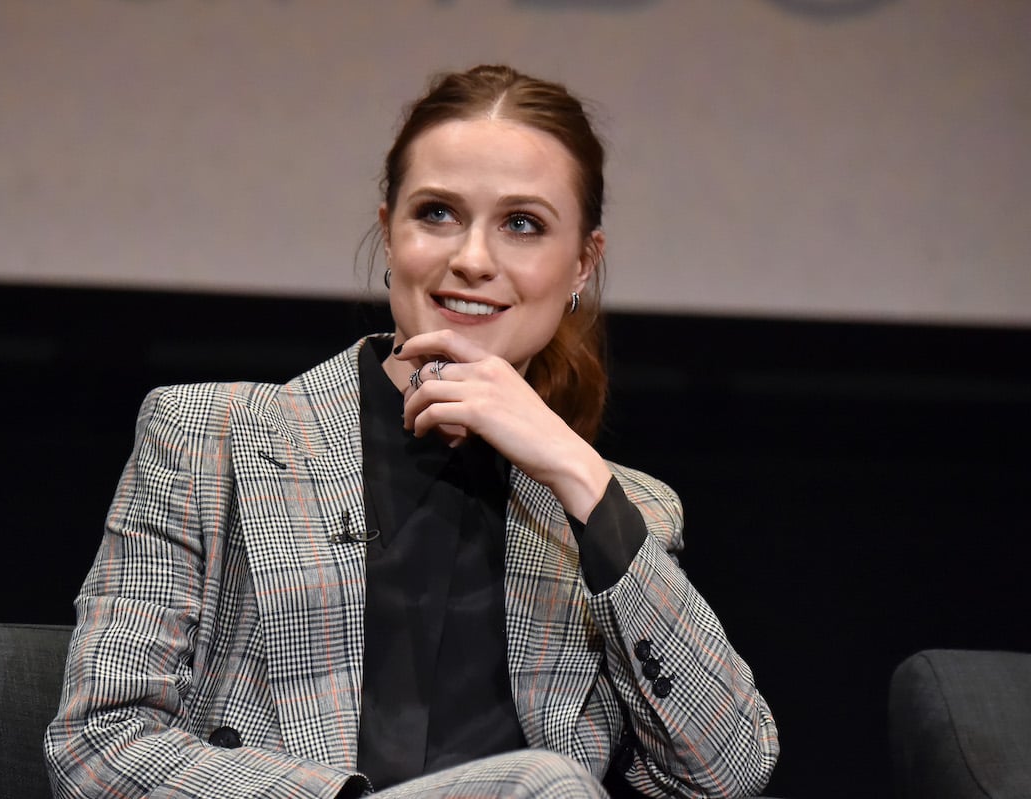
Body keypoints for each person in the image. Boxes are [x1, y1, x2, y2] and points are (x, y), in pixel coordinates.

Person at [44, 64, 778, 799]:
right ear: (389, 232)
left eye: (522, 224)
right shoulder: (212, 437)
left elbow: (726, 775)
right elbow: (99, 746)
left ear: (583, 263)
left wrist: (578, 473)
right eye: (437, 214)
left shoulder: (623, 513)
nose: (472, 259)